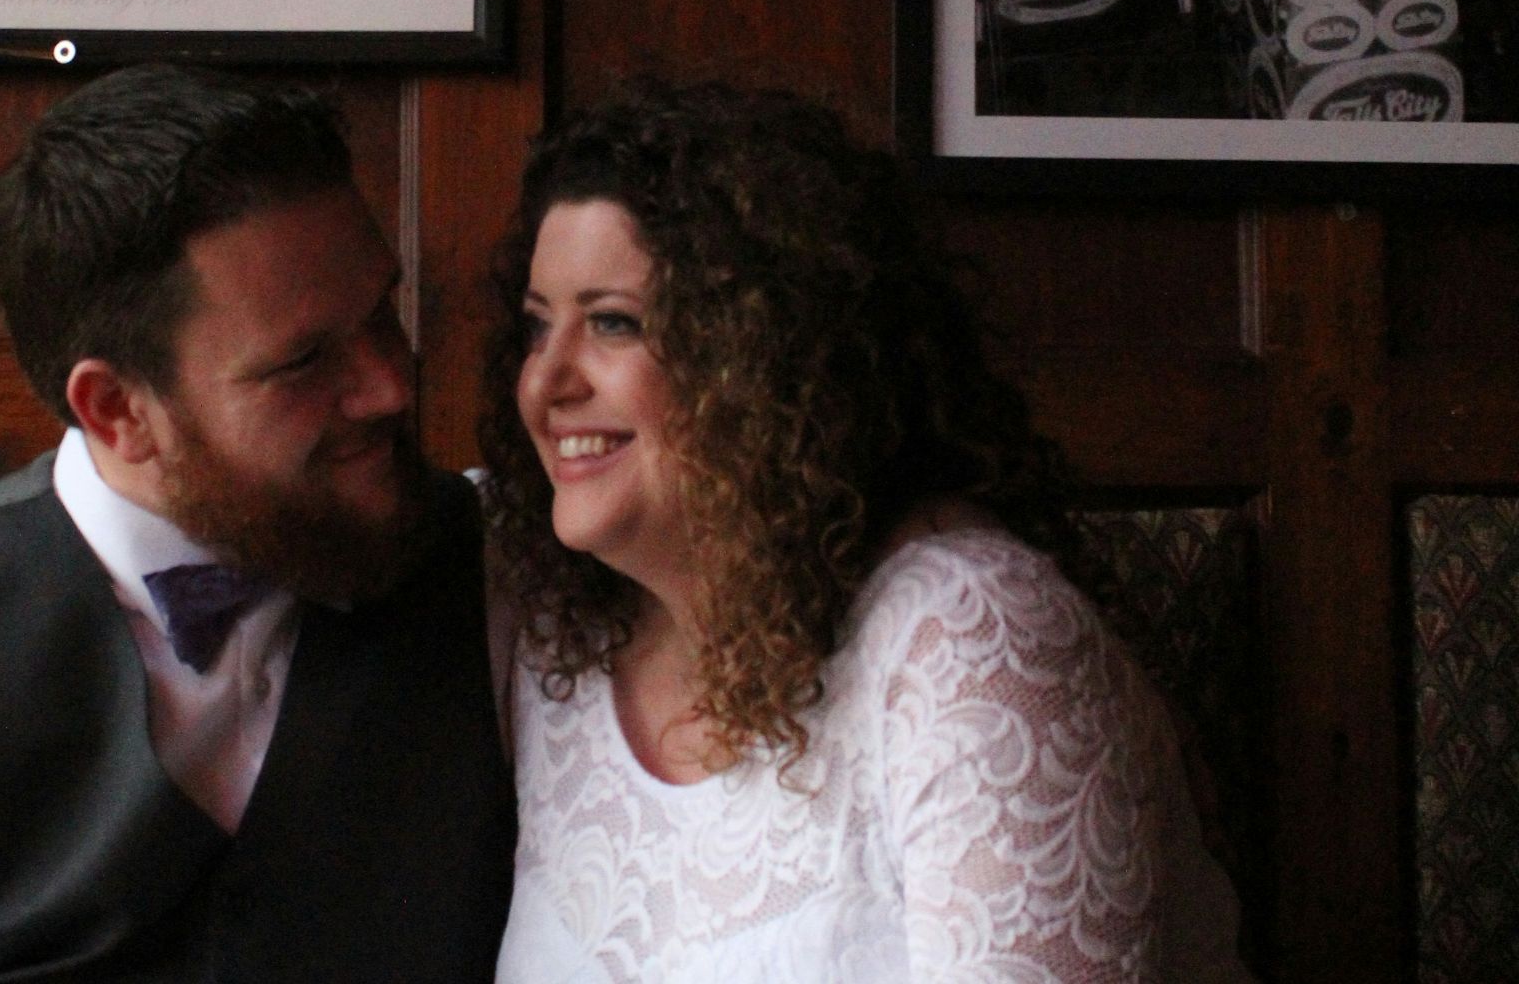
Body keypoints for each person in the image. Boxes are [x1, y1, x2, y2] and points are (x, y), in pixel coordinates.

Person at [0, 64, 515, 983]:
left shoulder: (508, 571)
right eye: (302, 363)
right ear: (115, 410)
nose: (391, 384)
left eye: (383, 313)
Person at [479, 81, 1253, 981]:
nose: (545, 383)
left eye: (614, 323)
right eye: (538, 328)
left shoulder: (971, 641)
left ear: (764, 357)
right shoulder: (550, 633)